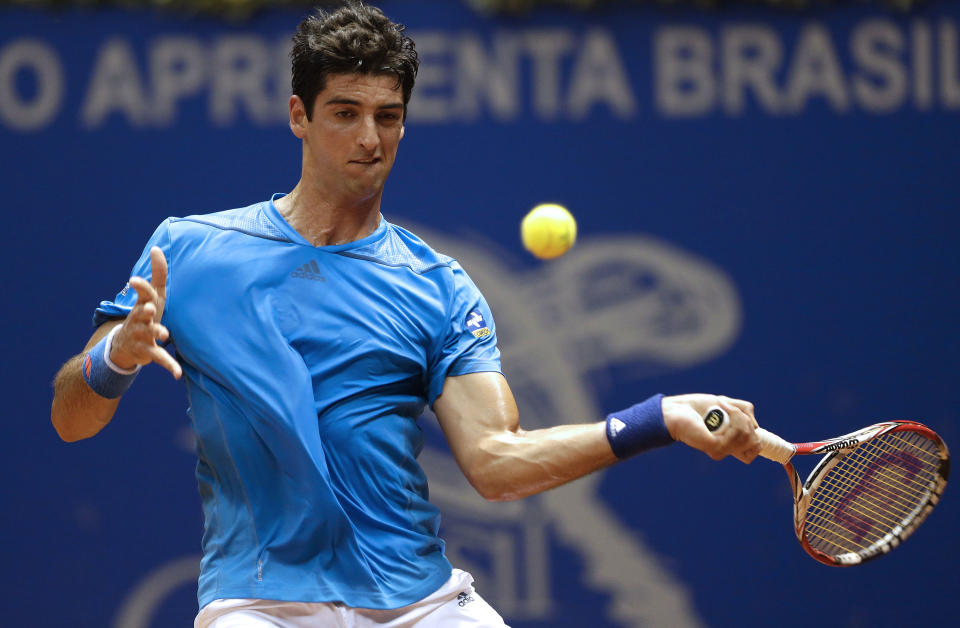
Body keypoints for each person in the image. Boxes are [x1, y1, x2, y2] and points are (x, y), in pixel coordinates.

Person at [50, 2, 763, 626]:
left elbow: (496, 465)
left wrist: (659, 418)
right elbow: (70, 418)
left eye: (388, 117)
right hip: (259, 604)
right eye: (345, 114)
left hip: (419, 603)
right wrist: (116, 359)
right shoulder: (190, 251)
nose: (370, 139)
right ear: (297, 115)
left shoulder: (440, 289)